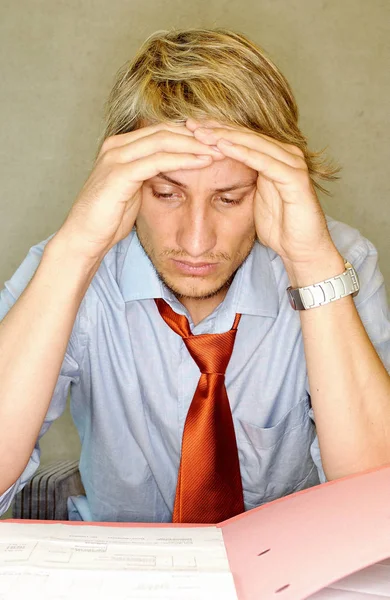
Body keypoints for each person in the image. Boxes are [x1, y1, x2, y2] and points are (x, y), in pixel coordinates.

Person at [0, 28, 389, 524]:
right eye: (166, 193)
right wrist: (74, 251)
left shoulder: (338, 261)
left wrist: (312, 265)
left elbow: (378, 507)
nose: (197, 241)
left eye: (229, 198)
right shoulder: (66, 264)